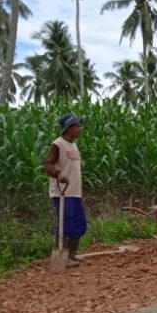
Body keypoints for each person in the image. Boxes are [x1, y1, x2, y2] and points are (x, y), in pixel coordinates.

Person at [43, 113, 87, 268]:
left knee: (80, 224)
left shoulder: (74, 145)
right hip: (62, 193)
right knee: (65, 224)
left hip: (75, 192)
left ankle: (72, 254)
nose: (79, 129)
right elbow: (48, 164)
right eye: (76, 126)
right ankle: (61, 256)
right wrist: (58, 173)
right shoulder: (58, 144)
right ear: (69, 128)